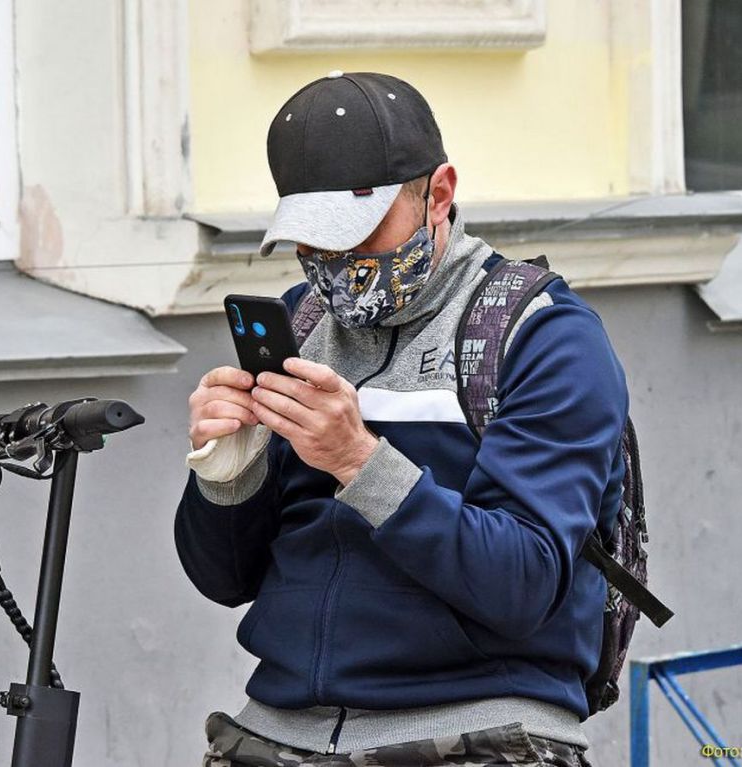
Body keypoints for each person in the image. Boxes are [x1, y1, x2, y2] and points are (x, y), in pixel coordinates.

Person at [174, 71, 628, 767]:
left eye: (357, 232)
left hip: (477, 732)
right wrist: (227, 475)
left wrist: (359, 461)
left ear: (438, 194)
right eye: (312, 241)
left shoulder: (544, 336)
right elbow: (225, 580)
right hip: (275, 729)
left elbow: (524, 583)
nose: (335, 263)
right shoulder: (301, 322)